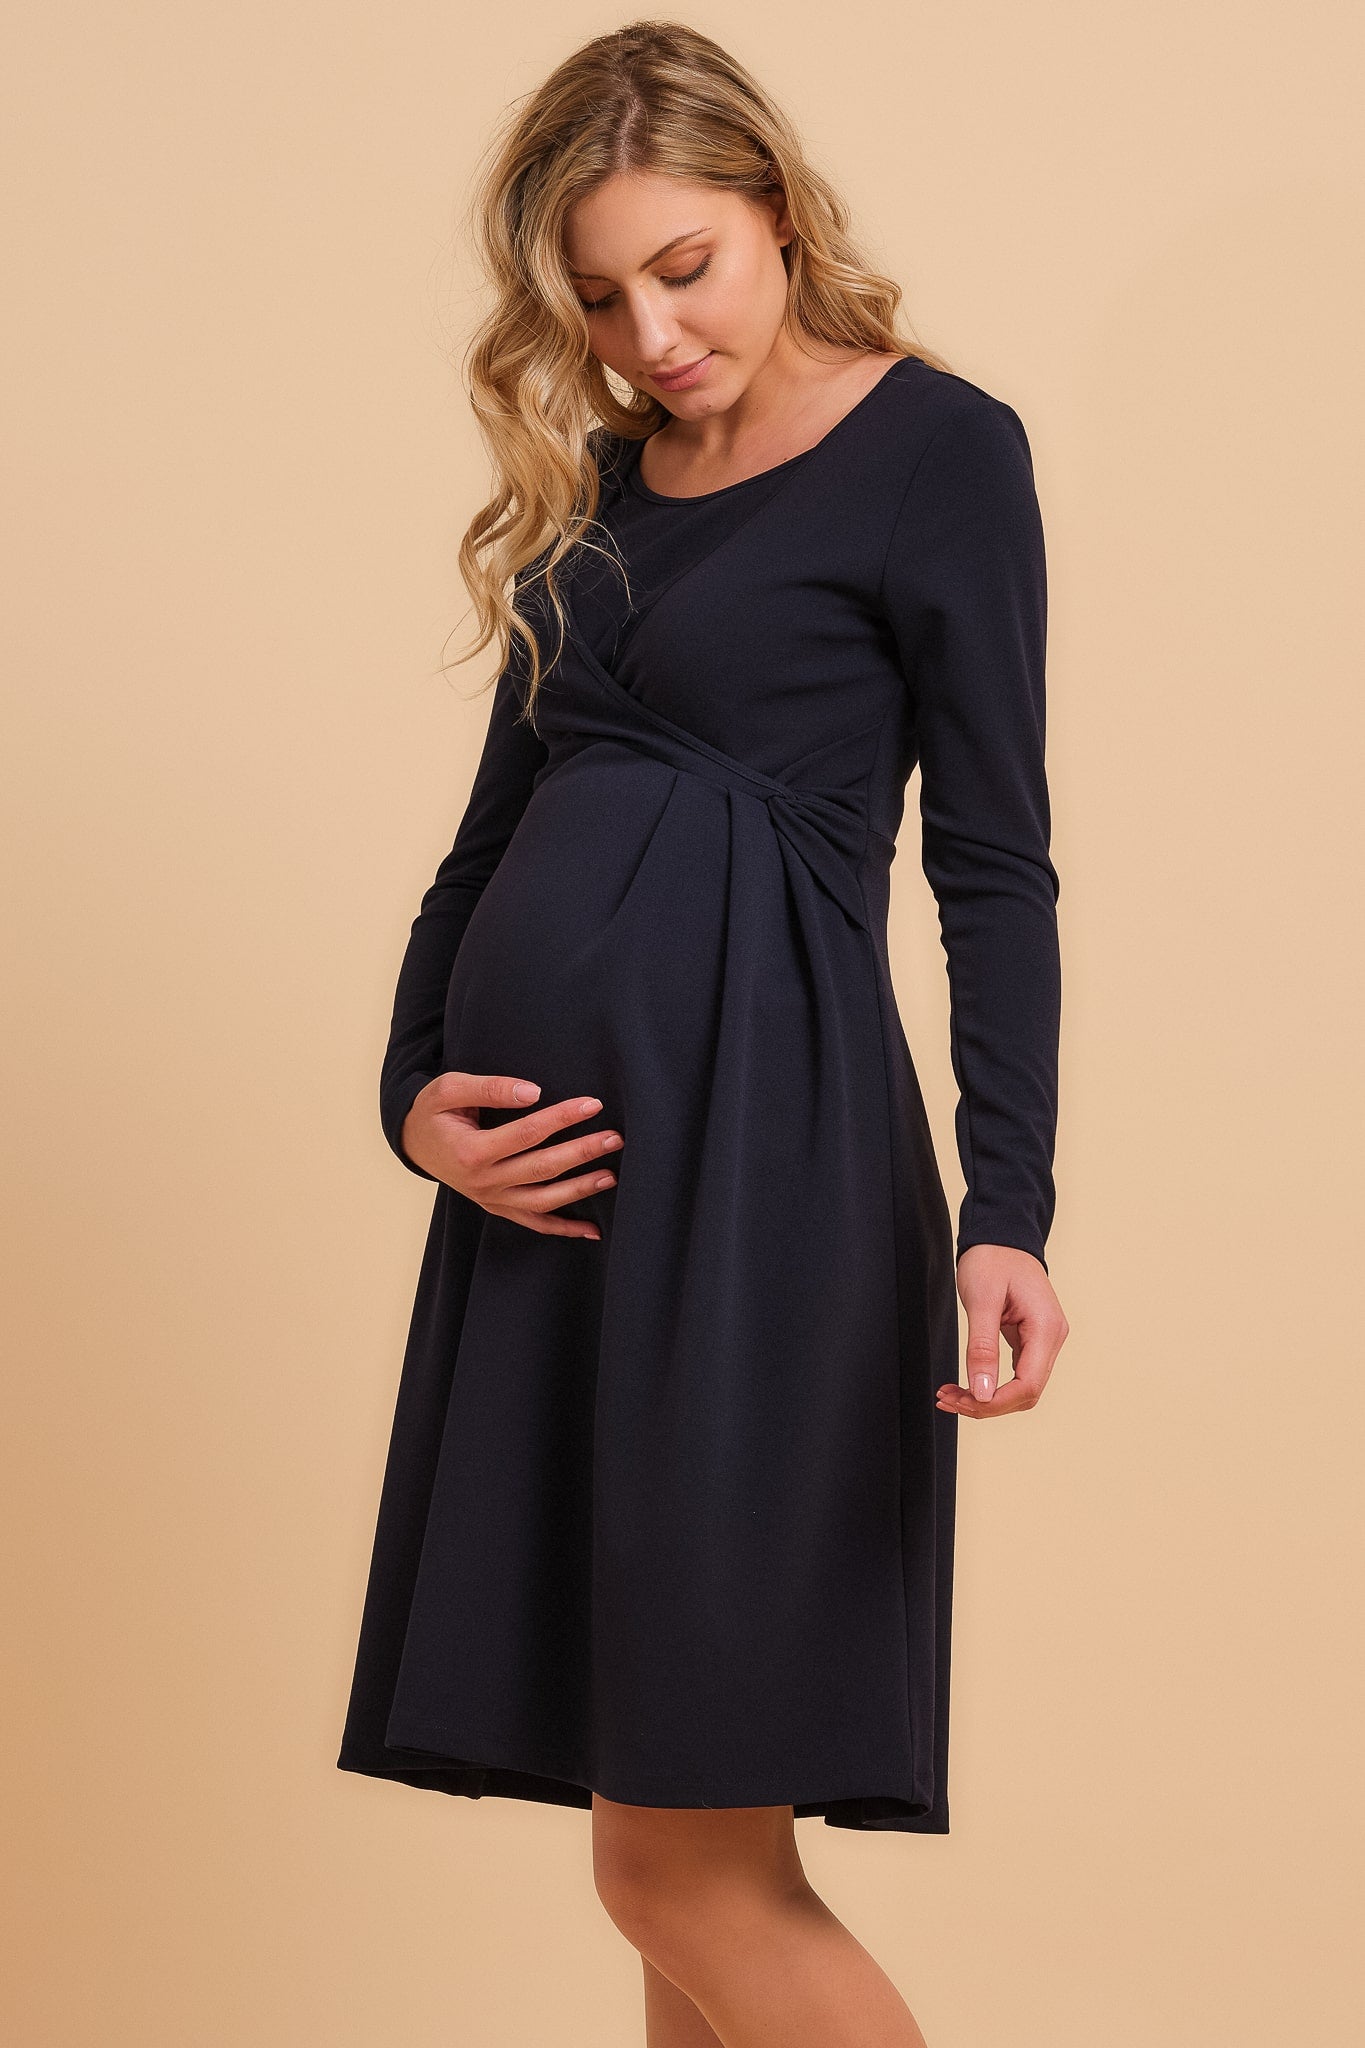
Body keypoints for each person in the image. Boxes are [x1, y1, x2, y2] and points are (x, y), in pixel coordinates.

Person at [337, 21, 1070, 2046]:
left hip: (765, 1192)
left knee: (674, 1866)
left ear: (775, 212)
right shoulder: (593, 490)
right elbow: (482, 851)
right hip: (557, 1223)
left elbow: (991, 866)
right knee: (681, 1854)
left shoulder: (939, 453)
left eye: (684, 268)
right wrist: (413, 1105)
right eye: (597, 298)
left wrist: (1006, 1208)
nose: (650, 336)